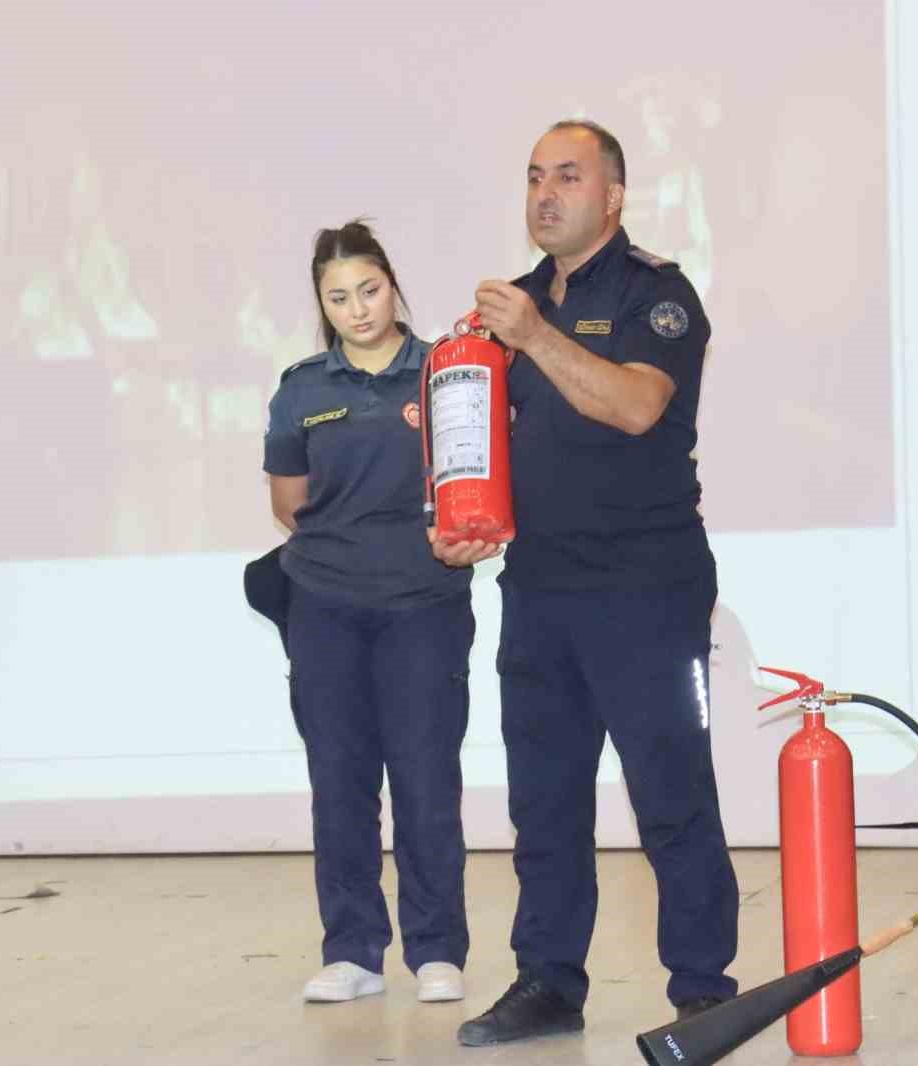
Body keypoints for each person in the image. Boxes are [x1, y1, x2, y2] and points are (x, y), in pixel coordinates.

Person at [432, 120, 739, 1047]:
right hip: (539, 590)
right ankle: (548, 983)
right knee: (546, 800)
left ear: (612, 195)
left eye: (568, 176)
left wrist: (538, 337)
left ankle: (702, 986)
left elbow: (638, 405)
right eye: (534, 177)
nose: (546, 193)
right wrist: (463, 520)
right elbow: (482, 443)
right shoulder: (511, 306)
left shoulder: (659, 292)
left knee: (671, 791)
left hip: (646, 587)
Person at [263, 220, 475, 1006]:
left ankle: (435, 950)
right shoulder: (302, 389)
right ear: (322, 305)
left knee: (425, 779)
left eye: (370, 290)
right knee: (340, 782)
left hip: (426, 607)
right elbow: (289, 504)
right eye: (338, 297)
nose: (357, 309)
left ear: (394, 286)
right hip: (326, 610)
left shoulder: (448, 374)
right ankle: (352, 950)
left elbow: (480, 482)